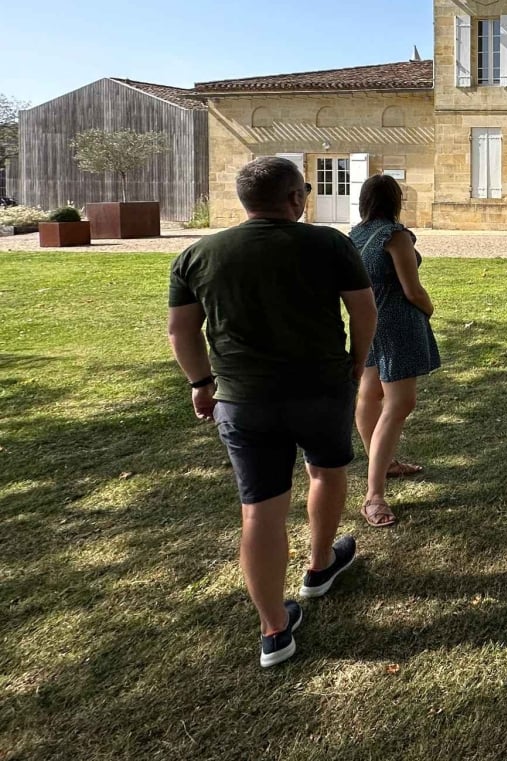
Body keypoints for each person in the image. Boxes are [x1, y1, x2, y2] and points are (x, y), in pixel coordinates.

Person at [168, 156, 375, 668]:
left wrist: (200, 383)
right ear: (295, 198)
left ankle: (273, 629)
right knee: (326, 471)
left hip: (243, 399)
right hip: (320, 389)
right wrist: (357, 362)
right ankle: (320, 565)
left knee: (260, 509)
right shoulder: (329, 244)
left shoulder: (198, 255)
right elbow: (363, 310)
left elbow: (182, 330)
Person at [350, 174, 441, 528]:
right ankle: (374, 494)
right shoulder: (395, 236)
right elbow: (412, 289)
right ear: (395, 201)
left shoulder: (356, 235)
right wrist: (428, 308)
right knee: (400, 402)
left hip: (367, 321)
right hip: (396, 322)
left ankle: (383, 463)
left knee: (370, 394)